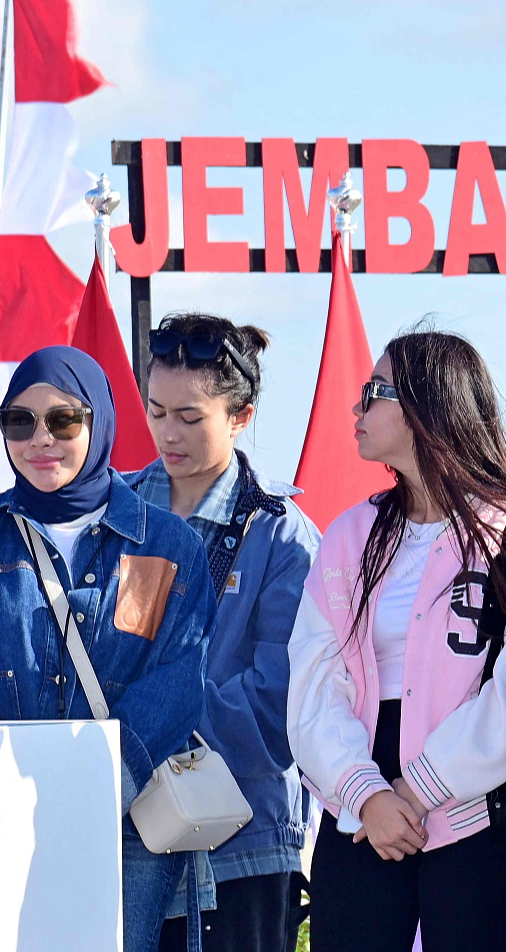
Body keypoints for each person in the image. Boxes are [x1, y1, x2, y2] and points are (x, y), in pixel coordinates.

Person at [0, 346, 216, 952]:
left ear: (98, 421)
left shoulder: (169, 543)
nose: (39, 439)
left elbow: (178, 682)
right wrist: (2, 798)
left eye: (63, 420)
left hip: (126, 829)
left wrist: (91, 788)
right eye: (19, 421)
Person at [287, 331, 506, 952]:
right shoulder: (349, 534)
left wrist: (415, 790)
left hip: (476, 808)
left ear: (429, 406)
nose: (357, 410)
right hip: (361, 808)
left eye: (374, 393)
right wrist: (368, 794)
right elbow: (312, 686)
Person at [133, 315, 320, 952]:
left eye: (190, 417)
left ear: (241, 417)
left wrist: (144, 724)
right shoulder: (114, 516)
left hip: (242, 844)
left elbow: (279, 706)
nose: (167, 433)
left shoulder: (282, 535)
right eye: (156, 411)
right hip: (121, 833)